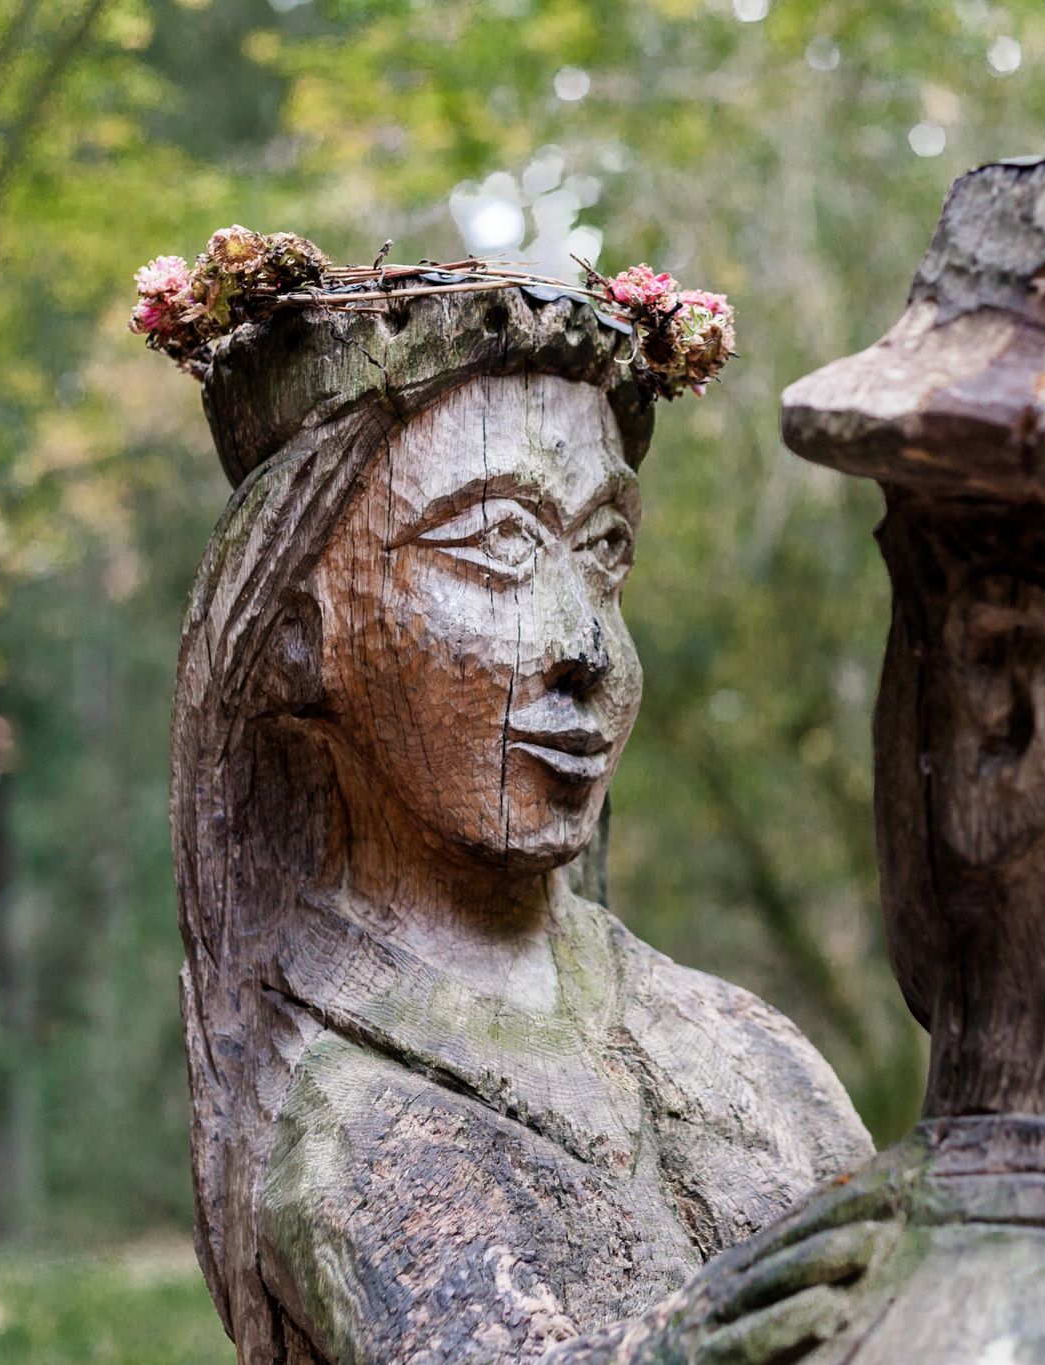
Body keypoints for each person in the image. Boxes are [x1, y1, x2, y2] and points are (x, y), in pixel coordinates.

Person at [170, 287, 871, 1364]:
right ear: (295, 634)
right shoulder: (341, 1126)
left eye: (601, 549)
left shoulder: (751, 1048)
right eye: (494, 544)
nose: (583, 643)